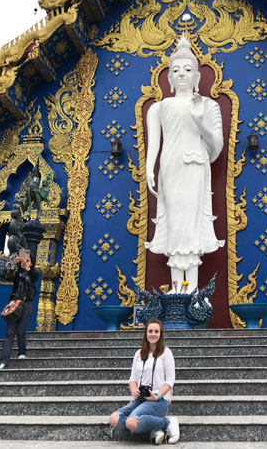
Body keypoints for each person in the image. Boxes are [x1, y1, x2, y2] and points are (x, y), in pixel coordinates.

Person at [145, 34, 224, 291]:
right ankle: (176, 294)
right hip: (170, 168)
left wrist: (201, 123)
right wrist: (149, 169)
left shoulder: (209, 106)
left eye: (188, 70)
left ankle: (192, 295)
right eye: (176, 70)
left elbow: (216, 148)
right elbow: (154, 144)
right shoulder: (159, 107)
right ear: (168, 78)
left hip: (196, 168)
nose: (181, 74)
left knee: (191, 228)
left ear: (197, 77)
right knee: (175, 227)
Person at [109, 318, 180, 445]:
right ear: (146, 333)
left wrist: (157, 396)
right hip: (141, 399)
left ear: (160, 334)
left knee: (131, 421)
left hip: (159, 400)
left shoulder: (166, 352)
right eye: (150, 331)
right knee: (114, 419)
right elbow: (132, 379)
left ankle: (167, 422)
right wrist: (133, 390)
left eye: (156, 331)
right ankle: (154, 426)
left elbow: (170, 380)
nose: (153, 334)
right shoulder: (139, 354)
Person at [0, 250, 39, 370]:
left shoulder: (33, 274)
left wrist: (27, 268)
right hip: (15, 302)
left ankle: (22, 352)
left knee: (20, 330)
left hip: (27, 304)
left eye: (28, 260)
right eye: (24, 260)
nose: (25, 262)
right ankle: (4, 361)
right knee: (10, 332)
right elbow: (8, 277)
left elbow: (34, 278)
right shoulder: (17, 273)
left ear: (31, 263)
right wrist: (14, 265)